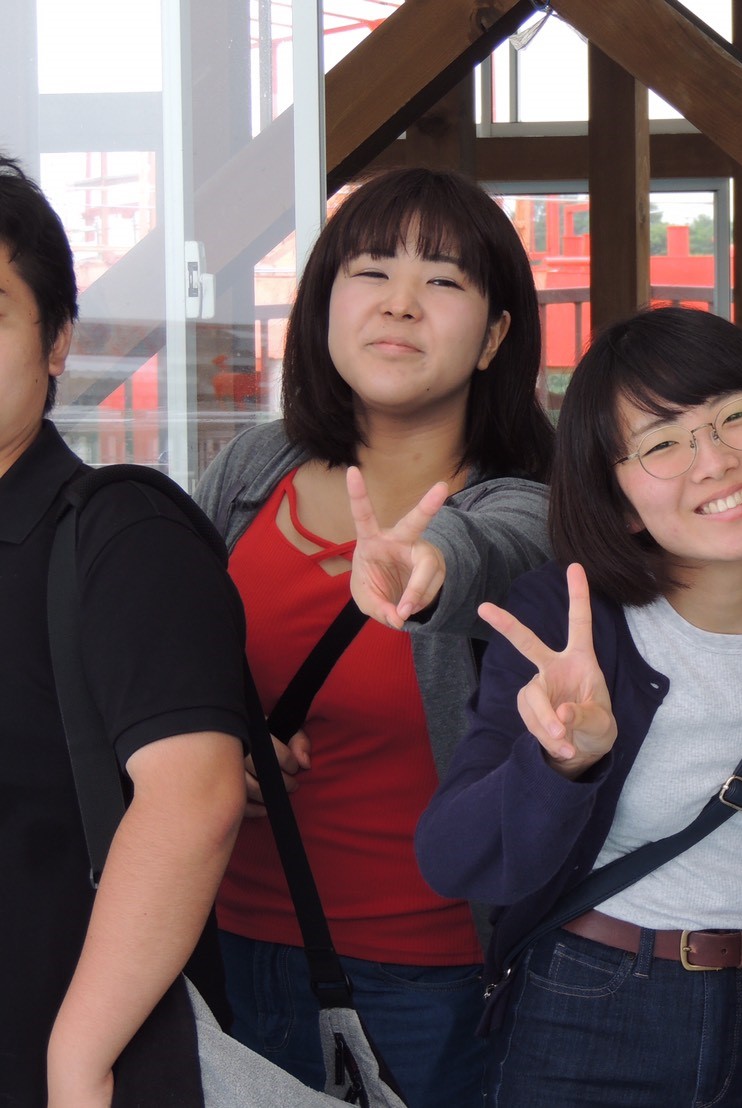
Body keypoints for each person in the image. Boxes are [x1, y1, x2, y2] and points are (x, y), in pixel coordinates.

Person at [415, 306, 742, 1107]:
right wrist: (559, 763)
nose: (715, 461)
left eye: (736, 417)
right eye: (662, 444)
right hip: (587, 1011)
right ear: (619, 497)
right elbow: (457, 859)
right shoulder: (563, 617)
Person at [193, 166, 555, 1107]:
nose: (401, 303)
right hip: (219, 945)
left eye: (443, 280)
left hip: (430, 981)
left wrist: (428, 561)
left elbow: (492, 548)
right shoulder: (250, 470)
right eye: (372, 272)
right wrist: (216, 742)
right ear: (324, 304)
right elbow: (170, 645)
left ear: (495, 335)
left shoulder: (531, 506)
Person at [0, 153, 249, 1105]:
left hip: (69, 1063)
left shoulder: (119, 533)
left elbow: (194, 798)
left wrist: (78, 1060)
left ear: (57, 341)